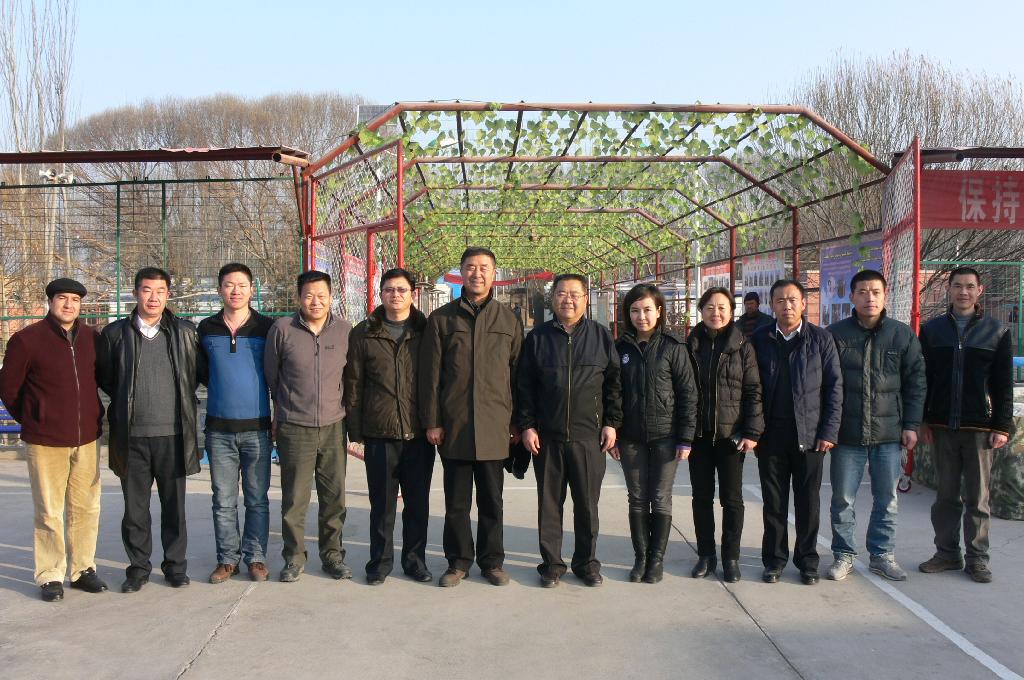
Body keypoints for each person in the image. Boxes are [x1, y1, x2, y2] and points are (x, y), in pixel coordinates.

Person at [419, 247, 523, 587]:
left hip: (495, 426)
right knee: (457, 502)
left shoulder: (508, 320)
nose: (477, 273)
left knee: (492, 501)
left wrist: (517, 422)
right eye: (470, 267)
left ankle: (492, 562)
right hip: (456, 425)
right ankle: (458, 562)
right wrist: (433, 420)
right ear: (461, 272)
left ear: (494, 273)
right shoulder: (441, 319)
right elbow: (431, 376)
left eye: (484, 268)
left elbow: (518, 375)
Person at [96, 267, 204, 593]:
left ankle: (175, 567)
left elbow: (194, 375)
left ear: (168, 294)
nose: (153, 297)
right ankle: (138, 568)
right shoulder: (115, 334)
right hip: (132, 438)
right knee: (135, 510)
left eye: (160, 291)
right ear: (135, 293)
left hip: (173, 436)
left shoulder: (185, 332)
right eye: (146, 290)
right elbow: (107, 378)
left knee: (175, 508)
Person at [0, 278, 106, 602]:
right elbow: (8, 389)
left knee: (86, 507)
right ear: (50, 301)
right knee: (49, 511)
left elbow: (103, 378)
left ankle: (83, 569)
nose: (69, 305)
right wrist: (34, 418)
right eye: (62, 298)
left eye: (75, 299)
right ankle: (50, 574)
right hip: (45, 441)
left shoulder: (92, 338)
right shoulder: (26, 340)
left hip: (87, 438)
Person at [517, 274, 623, 588]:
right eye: (562, 293)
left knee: (587, 505)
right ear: (553, 299)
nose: (568, 299)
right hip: (547, 438)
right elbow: (525, 386)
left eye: (575, 294)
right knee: (550, 505)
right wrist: (527, 426)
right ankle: (551, 564)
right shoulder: (538, 338)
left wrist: (612, 422)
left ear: (586, 299)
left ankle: (586, 564)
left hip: (589, 437)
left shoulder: (601, 337)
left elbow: (614, 385)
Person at [826, 270, 925, 582]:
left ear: (884, 296)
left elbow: (916, 383)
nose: (869, 298)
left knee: (887, 499)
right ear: (852, 297)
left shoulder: (901, 335)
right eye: (863, 292)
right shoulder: (835, 335)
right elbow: (825, 384)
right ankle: (844, 555)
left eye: (875, 292)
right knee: (843, 499)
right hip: (847, 434)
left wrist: (911, 425)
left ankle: (882, 555)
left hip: (888, 434)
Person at [918, 267, 1013, 584]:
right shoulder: (932, 331)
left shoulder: (997, 331)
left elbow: (1003, 384)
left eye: (970, 286)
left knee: (977, 499)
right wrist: (924, 419)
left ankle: (977, 559)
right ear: (949, 289)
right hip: (942, 426)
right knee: (945, 497)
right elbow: (924, 379)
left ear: (979, 291)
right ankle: (947, 553)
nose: (963, 292)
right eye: (958, 286)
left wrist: (1001, 426)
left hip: (980, 429)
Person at [344, 268, 434, 586]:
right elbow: (353, 383)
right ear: (381, 293)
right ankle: (379, 563)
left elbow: (436, 380)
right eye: (389, 290)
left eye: (402, 290)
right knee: (381, 505)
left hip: (419, 433)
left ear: (413, 294)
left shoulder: (427, 331)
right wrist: (355, 432)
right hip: (380, 432)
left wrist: (435, 422)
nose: (395, 295)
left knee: (417, 504)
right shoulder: (364, 332)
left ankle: (415, 561)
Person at [750, 279, 842, 586]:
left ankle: (807, 561)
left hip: (811, 435)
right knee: (774, 502)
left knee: (808, 502)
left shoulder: (821, 339)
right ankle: (774, 560)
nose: (786, 306)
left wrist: (829, 430)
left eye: (792, 300)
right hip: (771, 435)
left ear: (803, 304)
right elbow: (752, 388)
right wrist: (754, 430)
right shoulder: (760, 339)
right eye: (780, 300)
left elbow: (834, 387)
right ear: (772, 305)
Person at [265, 270, 352, 583]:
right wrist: (284, 412)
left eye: (321, 295)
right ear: (299, 297)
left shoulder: (344, 330)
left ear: (331, 297)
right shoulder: (282, 329)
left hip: (333, 426)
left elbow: (349, 376)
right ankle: (294, 558)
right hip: (295, 427)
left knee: (334, 498)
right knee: (294, 499)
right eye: (309, 295)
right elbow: (272, 376)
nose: (316, 301)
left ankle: (333, 556)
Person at [611, 283, 695, 585]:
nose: (641, 316)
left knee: (660, 498)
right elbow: (613, 394)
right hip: (630, 437)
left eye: (647, 309)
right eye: (635, 310)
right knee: (636, 498)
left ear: (659, 311)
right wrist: (614, 432)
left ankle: (656, 559)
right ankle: (641, 558)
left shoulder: (674, 347)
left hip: (666, 436)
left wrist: (686, 438)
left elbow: (688, 394)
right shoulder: (619, 349)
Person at [198, 263, 276, 584]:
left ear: (252, 289)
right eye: (229, 285)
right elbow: (202, 372)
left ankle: (256, 557)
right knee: (223, 500)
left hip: (257, 429)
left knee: (257, 499)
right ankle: (227, 559)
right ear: (220, 289)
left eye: (242, 285)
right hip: (219, 431)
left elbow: (275, 374)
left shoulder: (267, 328)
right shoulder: (206, 328)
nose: (236, 291)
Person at [686, 287, 763, 583]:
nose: (715, 313)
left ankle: (731, 557)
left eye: (722, 308)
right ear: (701, 310)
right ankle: (706, 555)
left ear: (731, 311)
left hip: (731, 437)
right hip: (699, 436)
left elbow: (753, 390)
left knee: (732, 499)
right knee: (701, 498)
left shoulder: (743, 346)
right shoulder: (690, 344)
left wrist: (752, 431)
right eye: (709, 307)